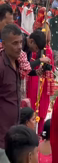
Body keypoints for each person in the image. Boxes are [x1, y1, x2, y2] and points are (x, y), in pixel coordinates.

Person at [0, 24, 23, 160]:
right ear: (4, 44)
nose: (19, 46)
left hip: (11, 136)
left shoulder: (17, 63)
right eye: (15, 43)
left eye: (21, 42)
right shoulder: (1, 66)